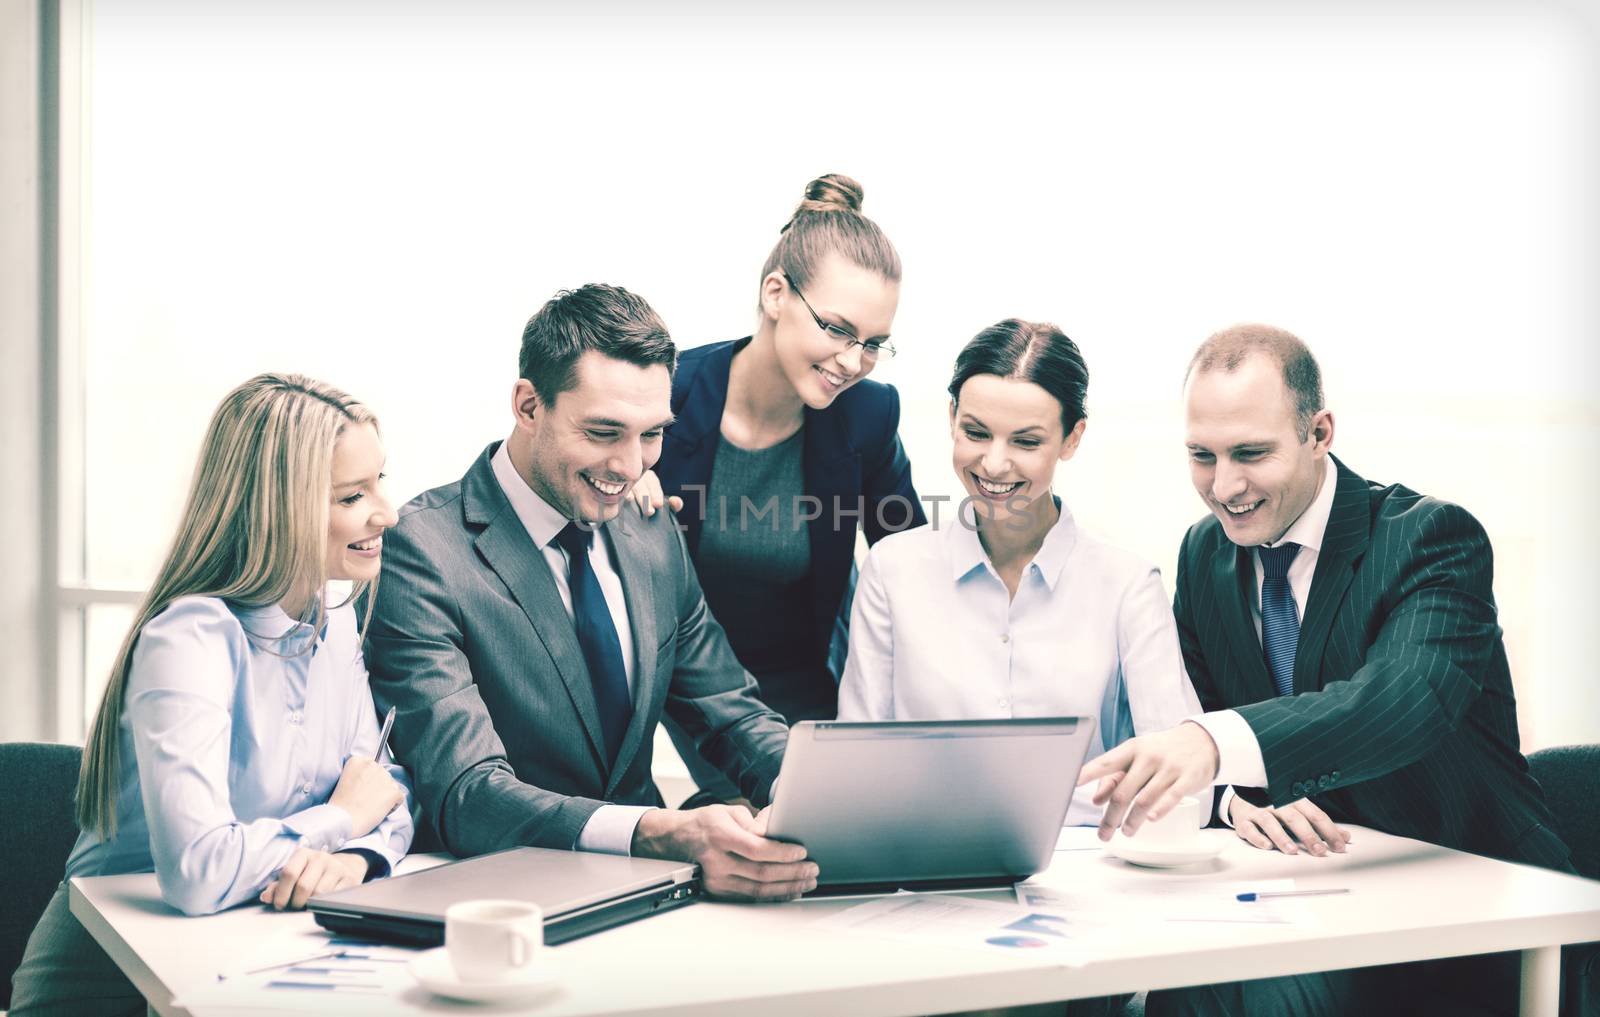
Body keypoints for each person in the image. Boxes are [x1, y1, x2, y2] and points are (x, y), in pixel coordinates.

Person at [1075, 324, 1571, 1016]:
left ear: (1319, 432)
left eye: (1251, 453)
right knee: (1173, 988)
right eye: (1202, 456)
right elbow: (1212, 710)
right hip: (1317, 898)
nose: (1224, 486)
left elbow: (1401, 700)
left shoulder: (1430, 538)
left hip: (1473, 906)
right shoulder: (1203, 555)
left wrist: (1215, 744)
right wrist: (1234, 797)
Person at [365, 283, 818, 901]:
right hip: (503, 905)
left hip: (660, 900)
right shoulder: (422, 550)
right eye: (605, 433)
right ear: (528, 406)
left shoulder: (652, 529)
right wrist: (660, 833)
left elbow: (728, 711)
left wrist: (820, 794)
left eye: (651, 435)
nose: (632, 467)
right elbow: (466, 792)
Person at [10, 374, 414, 1017]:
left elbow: (384, 789)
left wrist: (359, 856)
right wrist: (338, 823)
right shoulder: (190, 637)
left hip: (251, 950)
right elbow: (199, 873)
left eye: (379, 483)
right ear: (278, 506)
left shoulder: (332, 620)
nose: (385, 513)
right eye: (351, 495)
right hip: (115, 981)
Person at [837, 319, 1200, 826]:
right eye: (975, 433)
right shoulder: (892, 572)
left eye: (1026, 442)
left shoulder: (1128, 585)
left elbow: (1181, 784)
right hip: (929, 863)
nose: (994, 463)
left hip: (1087, 869)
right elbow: (857, 766)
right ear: (951, 419)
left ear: (1071, 439)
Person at [635, 173, 925, 805]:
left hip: (802, 680)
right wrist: (622, 493)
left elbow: (914, 562)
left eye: (873, 344)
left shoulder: (866, 416)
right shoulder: (664, 396)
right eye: (837, 329)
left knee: (836, 823)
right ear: (775, 294)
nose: (852, 361)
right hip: (681, 687)